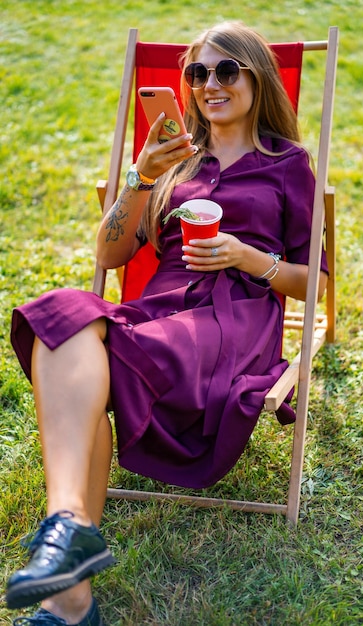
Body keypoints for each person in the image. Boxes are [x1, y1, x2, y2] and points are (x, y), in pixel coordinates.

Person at [6, 21, 328, 625]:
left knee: (88, 348)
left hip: (231, 321)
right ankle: (70, 571)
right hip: (158, 308)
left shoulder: (288, 167)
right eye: (198, 73)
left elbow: (315, 283)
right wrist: (142, 175)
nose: (211, 84)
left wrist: (246, 257)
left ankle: (66, 575)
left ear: (258, 79)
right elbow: (109, 256)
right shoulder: (176, 162)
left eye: (227, 70)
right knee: (63, 316)